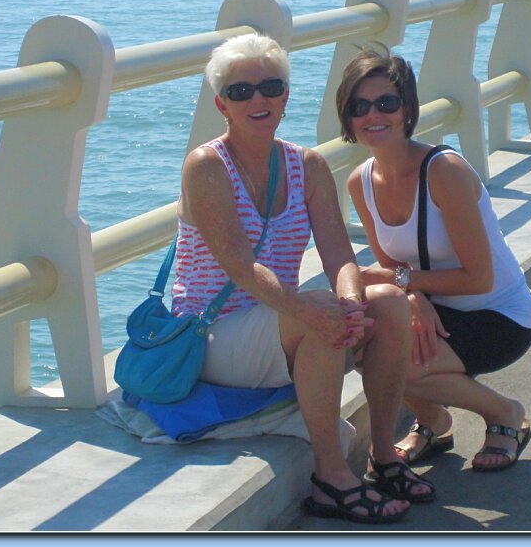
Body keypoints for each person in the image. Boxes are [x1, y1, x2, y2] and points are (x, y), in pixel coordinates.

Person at [174, 33, 433, 524]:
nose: (258, 100)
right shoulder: (207, 166)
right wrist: (310, 309)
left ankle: (384, 454)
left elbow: (340, 256)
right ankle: (332, 479)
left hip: (275, 324)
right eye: (240, 91)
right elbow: (239, 266)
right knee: (319, 316)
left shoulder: (306, 165)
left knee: (390, 302)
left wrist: (354, 304)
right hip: (213, 334)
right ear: (220, 104)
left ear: (287, 96)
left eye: (271, 87)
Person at [335, 49, 531, 473]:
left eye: (387, 103)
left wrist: (406, 286)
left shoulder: (443, 170)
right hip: (438, 308)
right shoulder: (361, 183)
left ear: (407, 109)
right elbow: (394, 270)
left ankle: (505, 414)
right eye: (359, 106)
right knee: (361, 335)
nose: (374, 115)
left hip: (498, 316)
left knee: (392, 363)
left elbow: (479, 277)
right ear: (347, 117)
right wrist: (411, 299)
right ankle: (434, 422)